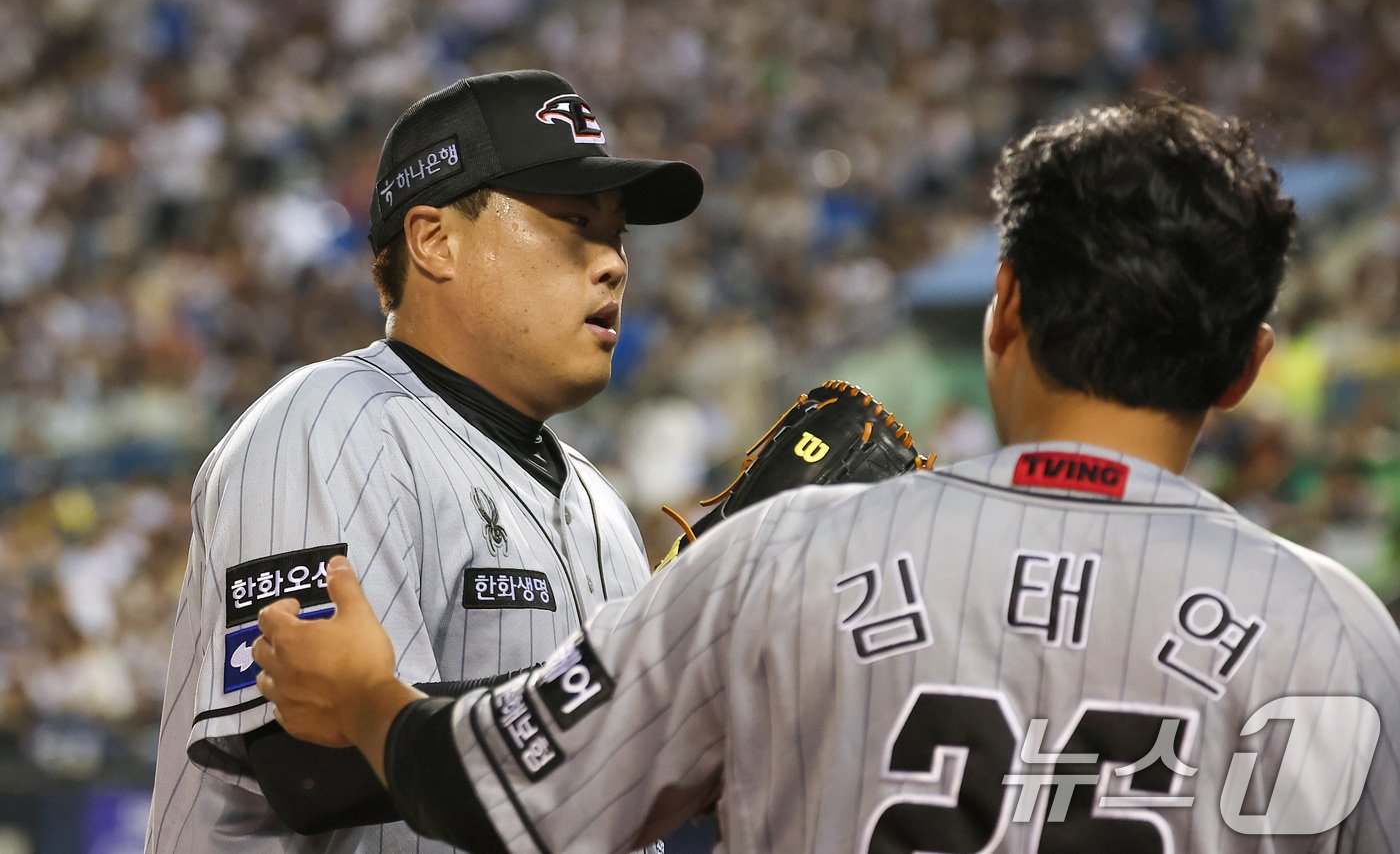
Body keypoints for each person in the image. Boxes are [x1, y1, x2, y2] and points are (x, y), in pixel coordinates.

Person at [251, 98, 1400, 853]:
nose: (609, 262)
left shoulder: (788, 557)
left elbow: (495, 789)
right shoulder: (1340, 633)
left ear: (1004, 306)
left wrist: (369, 700)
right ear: (1248, 364)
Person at [144, 70, 702, 853]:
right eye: (575, 221)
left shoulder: (601, 505)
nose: (612, 263)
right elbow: (315, 760)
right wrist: (655, 693)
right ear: (435, 241)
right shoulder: (332, 424)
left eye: (617, 234)